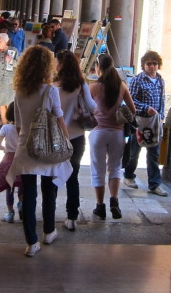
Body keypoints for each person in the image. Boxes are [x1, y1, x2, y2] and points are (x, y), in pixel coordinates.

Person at [6, 45, 72, 257]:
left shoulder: (19, 92)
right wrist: (66, 138)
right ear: (46, 66)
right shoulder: (50, 90)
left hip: (26, 147)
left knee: (28, 194)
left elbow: (17, 125)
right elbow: (60, 119)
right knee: (49, 190)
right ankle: (49, 231)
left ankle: (31, 242)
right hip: (47, 146)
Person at [88, 53, 136, 220]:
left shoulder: (93, 87)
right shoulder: (121, 86)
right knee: (115, 168)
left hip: (98, 132)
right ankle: (114, 201)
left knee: (98, 170)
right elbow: (133, 110)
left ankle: (100, 206)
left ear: (98, 67)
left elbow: (86, 109)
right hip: (117, 133)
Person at [53, 50, 96, 231]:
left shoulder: (52, 86)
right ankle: (72, 217)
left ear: (61, 64)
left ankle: (49, 212)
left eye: (57, 61)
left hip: (56, 137)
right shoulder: (81, 85)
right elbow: (92, 107)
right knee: (73, 177)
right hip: (77, 137)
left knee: (52, 176)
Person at [123, 51, 168, 196]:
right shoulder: (138, 80)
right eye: (149, 63)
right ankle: (129, 176)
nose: (152, 66)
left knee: (154, 153)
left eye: (154, 63)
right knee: (134, 152)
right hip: (140, 121)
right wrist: (145, 108)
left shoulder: (160, 80)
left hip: (155, 123)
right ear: (144, 65)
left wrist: (161, 116)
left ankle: (154, 184)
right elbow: (131, 100)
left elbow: (162, 99)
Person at [0, 102, 23, 222]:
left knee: (9, 187)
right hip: (21, 159)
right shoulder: (24, 128)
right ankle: (21, 204)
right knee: (22, 184)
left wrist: (6, 149)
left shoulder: (5, 128)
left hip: (8, 159)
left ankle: (10, 213)